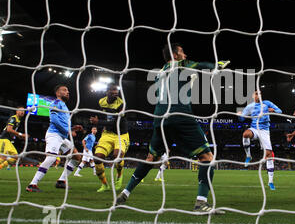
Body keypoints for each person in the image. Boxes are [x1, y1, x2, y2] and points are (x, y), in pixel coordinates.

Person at [116, 42, 230, 213]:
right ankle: (201, 203)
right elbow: (202, 66)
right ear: (175, 55)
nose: (185, 55)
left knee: (151, 158)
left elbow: (156, 94)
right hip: (180, 116)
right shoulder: (182, 64)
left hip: (160, 118)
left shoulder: (159, 73)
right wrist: (217, 66)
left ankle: (124, 194)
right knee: (207, 157)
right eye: (182, 52)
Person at [26, 85, 83, 192]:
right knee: (52, 158)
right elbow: (54, 119)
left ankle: (61, 181)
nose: (68, 92)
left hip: (62, 137)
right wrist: (68, 131)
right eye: (64, 90)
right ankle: (32, 185)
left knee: (76, 157)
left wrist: (72, 128)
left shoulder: (64, 106)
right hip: (54, 135)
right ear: (58, 93)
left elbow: (61, 123)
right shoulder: (56, 103)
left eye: (68, 90)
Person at [239, 90, 282, 190]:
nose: (259, 95)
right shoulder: (250, 106)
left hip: (265, 131)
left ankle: (270, 182)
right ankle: (248, 155)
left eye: (260, 93)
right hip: (254, 129)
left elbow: (280, 111)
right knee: (245, 134)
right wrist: (240, 115)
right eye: (257, 93)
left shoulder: (267, 103)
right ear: (253, 96)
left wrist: (273, 110)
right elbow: (242, 119)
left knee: (269, 155)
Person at [90, 84, 130, 192]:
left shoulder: (122, 104)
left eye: (116, 91)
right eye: (113, 90)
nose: (115, 92)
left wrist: (99, 122)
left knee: (117, 156)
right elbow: (98, 114)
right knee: (97, 157)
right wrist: (94, 119)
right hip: (107, 134)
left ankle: (119, 175)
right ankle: (105, 184)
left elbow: (115, 122)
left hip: (121, 135)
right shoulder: (101, 102)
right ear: (107, 91)